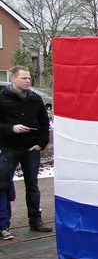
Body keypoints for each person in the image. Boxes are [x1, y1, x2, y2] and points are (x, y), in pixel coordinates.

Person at [0, 66, 52, 236]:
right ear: (13, 79)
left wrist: (40, 144)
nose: (28, 81)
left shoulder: (35, 99)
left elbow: (44, 123)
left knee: (32, 185)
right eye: (24, 78)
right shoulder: (2, 98)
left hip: (31, 148)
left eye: (29, 78)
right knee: (3, 185)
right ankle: (3, 225)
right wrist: (12, 128)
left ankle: (35, 220)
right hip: (9, 147)